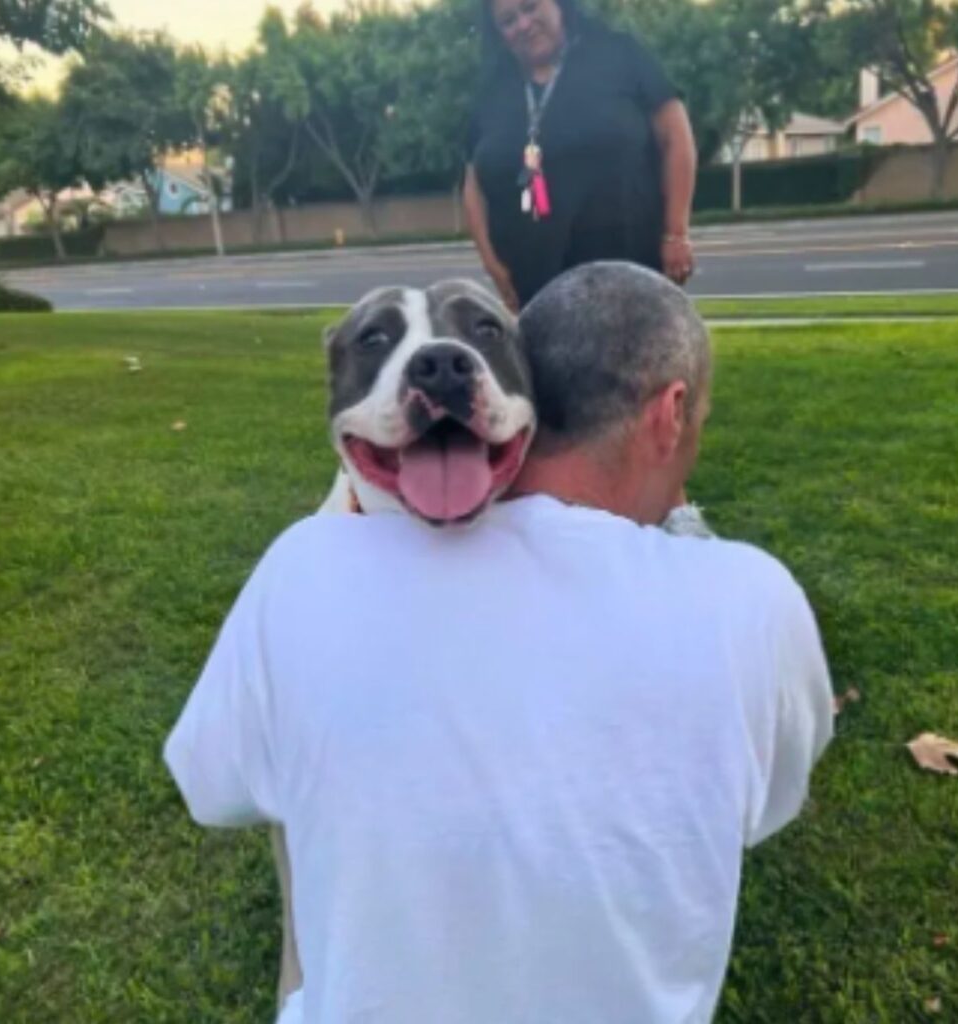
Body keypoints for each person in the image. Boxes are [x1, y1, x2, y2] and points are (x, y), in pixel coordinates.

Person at [165, 263, 833, 1024]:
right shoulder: (751, 597)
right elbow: (770, 806)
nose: (439, 361)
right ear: (670, 414)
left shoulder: (296, 575)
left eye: (480, 334)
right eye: (378, 342)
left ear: (537, 392)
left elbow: (213, 791)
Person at [464, 0, 697, 311]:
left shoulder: (619, 54)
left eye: (530, 7)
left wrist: (676, 234)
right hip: (536, 293)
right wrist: (493, 266)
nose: (523, 24)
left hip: (630, 279)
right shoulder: (490, 91)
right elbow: (473, 183)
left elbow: (676, 138)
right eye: (508, 20)